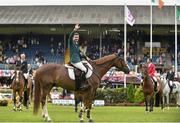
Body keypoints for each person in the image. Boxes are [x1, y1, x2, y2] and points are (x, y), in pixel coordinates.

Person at [67, 24, 89, 90]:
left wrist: (86, 58)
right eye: (75, 37)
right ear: (73, 37)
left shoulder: (77, 44)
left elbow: (80, 53)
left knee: (87, 64)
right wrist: (75, 29)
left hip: (78, 60)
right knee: (85, 69)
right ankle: (82, 84)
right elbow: (70, 37)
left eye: (77, 37)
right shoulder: (71, 42)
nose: (76, 38)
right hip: (74, 60)